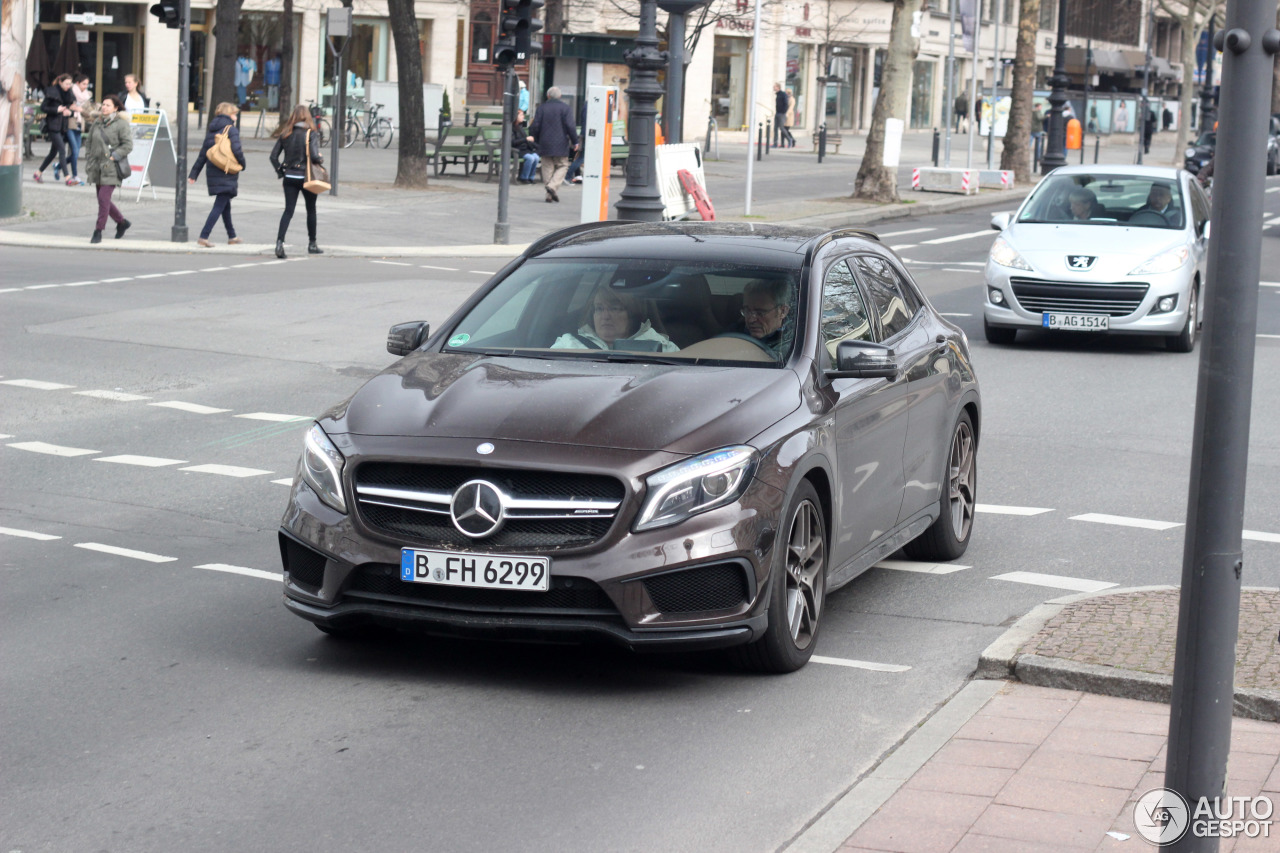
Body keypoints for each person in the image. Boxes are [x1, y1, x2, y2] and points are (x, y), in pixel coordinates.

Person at [188, 102, 246, 247]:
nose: (236, 117)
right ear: (228, 114)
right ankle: (204, 236)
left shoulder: (212, 130)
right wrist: (242, 164)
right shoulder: (231, 130)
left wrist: (194, 173)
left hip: (213, 170)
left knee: (225, 203)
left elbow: (203, 154)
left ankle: (232, 236)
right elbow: (237, 150)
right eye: (234, 114)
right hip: (226, 170)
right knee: (219, 205)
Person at [269, 103, 324, 258]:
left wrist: (281, 171)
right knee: (311, 209)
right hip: (306, 177)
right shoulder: (311, 133)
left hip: (290, 177)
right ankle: (312, 244)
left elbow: (273, 157)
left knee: (288, 210)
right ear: (307, 116)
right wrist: (320, 158)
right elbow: (314, 156)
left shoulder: (286, 133)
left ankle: (279, 243)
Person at [551, 285, 679, 352]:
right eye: (599, 309)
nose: (605, 316)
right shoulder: (567, 345)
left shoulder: (661, 347)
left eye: (615, 309)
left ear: (632, 315)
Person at [83, 94, 132, 244]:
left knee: (104, 198)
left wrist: (113, 157)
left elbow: (128, 145)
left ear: (115, 108)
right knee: (102, 199)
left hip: (111, 167)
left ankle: (98, 231)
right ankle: (122, 222)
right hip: (97, 167)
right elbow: (89, 142)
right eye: (103, 104)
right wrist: (89, 157)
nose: (104, 107)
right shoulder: (97, 123)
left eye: (108, 105)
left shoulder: (121, 124)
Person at [527, 86, 578, 204]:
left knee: (547, 167)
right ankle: (553, 186)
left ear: (548, 96)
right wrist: (575, 141)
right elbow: (571, 126)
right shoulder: (566, 108)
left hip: (544, 142)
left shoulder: (542, 108)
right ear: (560, 96)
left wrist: (534, 137)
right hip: (561, 143)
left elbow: (535, 125)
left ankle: (549, 194)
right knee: (563, 165)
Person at [33, 74, 77, 185]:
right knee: (62, 149)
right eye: (66, 83)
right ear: (60, 82)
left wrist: (69, 113)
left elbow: (71, 110)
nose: (68, 86)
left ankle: (38, 173)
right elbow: (44, 107)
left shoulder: (69, 93)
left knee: (53, 153)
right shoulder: (52, 92)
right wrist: (57, 109)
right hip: (52, 125)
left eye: (70, 84)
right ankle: (67, 177)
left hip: (62, 125)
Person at [738, 278, 793, 355]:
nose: (751, 320)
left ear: (783, 311)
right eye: (747, 311)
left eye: (760, 312)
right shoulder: (734, 332)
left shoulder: (792, 347)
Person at [63, 73, 91, 185]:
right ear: (78, 83)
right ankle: (75, 176)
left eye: (87, 84)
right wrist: (74, 108)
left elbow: (85, 111)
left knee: (76, 152)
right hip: (71, 123)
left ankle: (59, 165)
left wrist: (81, 110)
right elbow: (67, 105)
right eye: (84, 84)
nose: (85, 86)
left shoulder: (86, 96)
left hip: (80, 124)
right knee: (74, 150)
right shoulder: (70, 92)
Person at [512, 109, 539, 185]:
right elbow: (513, 142)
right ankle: (524, 177)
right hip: (516, 150)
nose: (523, 116)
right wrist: (526, 139)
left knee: (536, 157)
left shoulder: (520, 127)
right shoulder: (511, 128)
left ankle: (531, 177)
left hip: (525, 149)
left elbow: (526, 139)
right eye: (521, 115)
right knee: (530, 158)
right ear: (515, 117)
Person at [774, 83, 795, 147]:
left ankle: (790, 140)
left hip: (783, 114)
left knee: (782, 128)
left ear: (778, 87)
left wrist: (784, 112)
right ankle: (776, 143)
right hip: (778, 113)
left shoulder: (783, 95)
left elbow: (787, 105)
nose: (773, 88)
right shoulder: (778, 95)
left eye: (774, 87)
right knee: (775, 128)